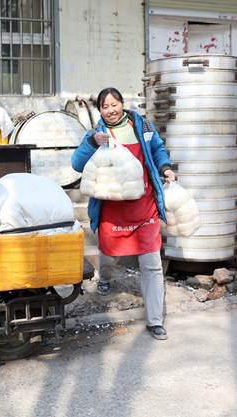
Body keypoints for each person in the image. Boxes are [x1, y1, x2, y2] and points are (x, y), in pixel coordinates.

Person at [71, 87, 176, 340]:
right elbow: (76, 164)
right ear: (99, 110)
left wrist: (166, 168)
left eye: (114, 104)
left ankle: (155, 320)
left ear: (122, 103)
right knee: (109, 254)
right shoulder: (97, 133)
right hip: (112, 209)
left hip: (144, 205)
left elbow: (158, 150)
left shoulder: (144, 127)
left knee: (151, 262)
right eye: (104, 107)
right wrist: (91, 144)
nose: (110, 110)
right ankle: (105, 277)